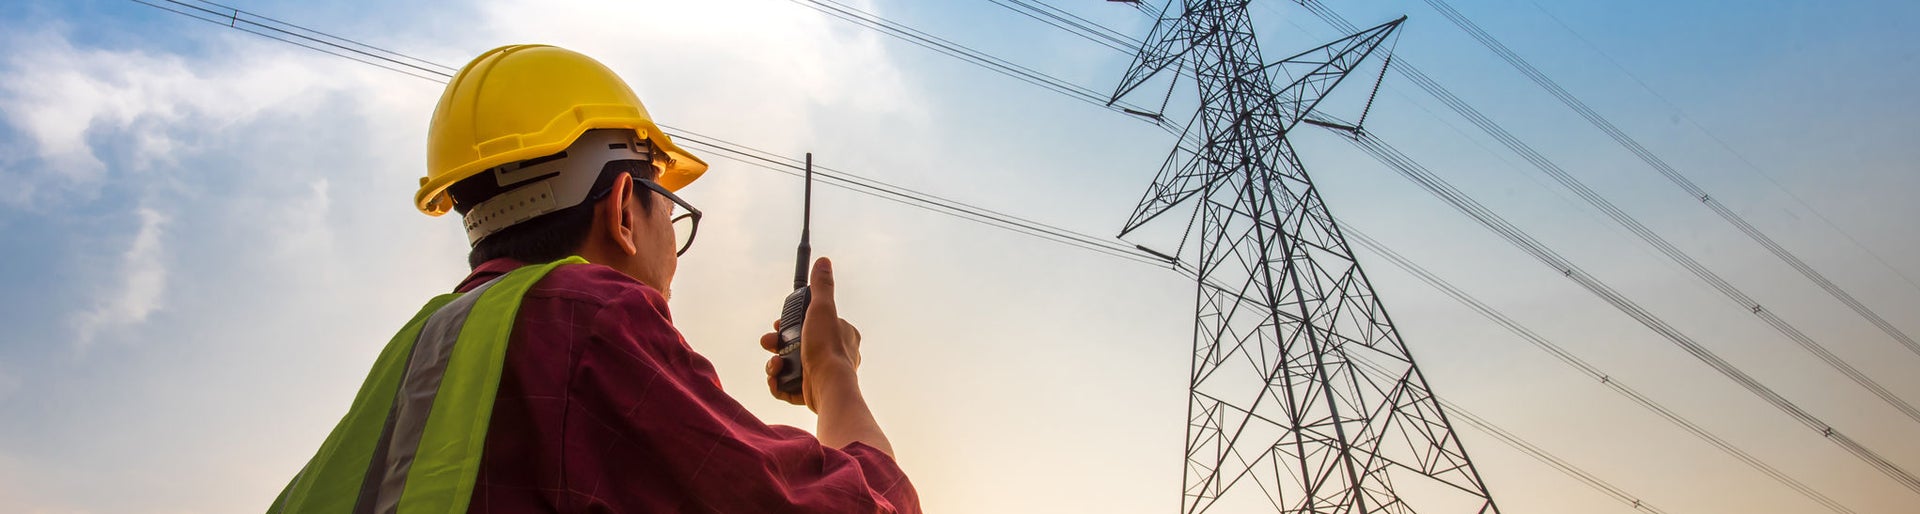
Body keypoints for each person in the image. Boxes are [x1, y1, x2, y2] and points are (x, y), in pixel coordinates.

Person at [269, 44, 919, 513]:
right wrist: (833, 374)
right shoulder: (587, 317)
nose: (674, 252)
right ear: (623, 211)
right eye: (672, 213)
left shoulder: (413, 353)